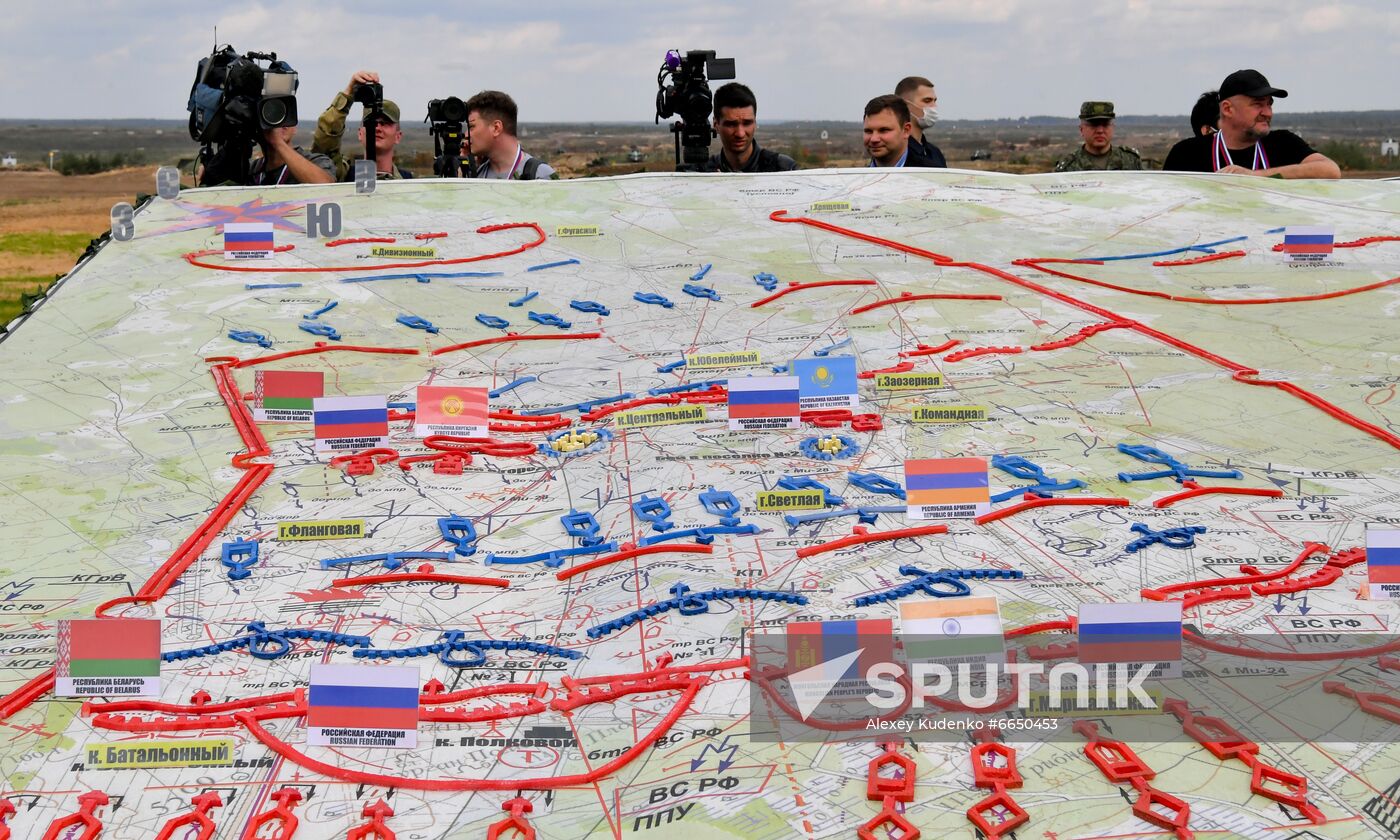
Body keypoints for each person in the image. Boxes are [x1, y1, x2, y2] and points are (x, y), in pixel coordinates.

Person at [1163, 70, 1339, 178]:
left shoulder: (1283, 143)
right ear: (1227, 109)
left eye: (1270, 104)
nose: (1267, 112)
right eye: (1258, 104)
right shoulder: (1187, 153)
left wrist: (1254, 176)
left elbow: (1330, 170)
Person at [312, 70, 412, 181]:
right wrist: (348, 95)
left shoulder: (409, 183)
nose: (377, 128)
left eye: (385, 123)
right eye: (370, 123)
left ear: (398, 136)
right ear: (360, 133)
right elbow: (324, 146)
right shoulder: (346, 176)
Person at [705, 83, 797, 172]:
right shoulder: (703, 172)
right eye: (731, 124)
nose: (740, 133)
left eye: (747, 123)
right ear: (716, 124)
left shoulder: (783, 168)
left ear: (755, 122)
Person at [464, 91, 556, 180]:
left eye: (471, 127)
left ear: (496, 128)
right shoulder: (478, 174)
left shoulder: (540, 175)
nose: (466, 135)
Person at [1054, 101, 1142, 172]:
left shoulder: (1130, 161)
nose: (1100, 131)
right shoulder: (1068, 167)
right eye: (1094, 125)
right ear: (1081, 129)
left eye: (1105, 125)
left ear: (1113, 128)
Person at [863, 95, 941, 168]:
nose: (874, 139)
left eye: (883, 130)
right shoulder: (857, 180)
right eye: (868, 131)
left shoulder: (931, 176)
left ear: (906, 130)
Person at [248, 125, 335, 186]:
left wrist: (277, 142)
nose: (282, 124)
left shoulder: (316, 161)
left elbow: (326, 188)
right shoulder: (252, 169)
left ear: (294, 128)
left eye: (286, 117)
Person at [894, 76, 947, 167]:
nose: (934, 106)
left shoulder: (934, 152)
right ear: (905, 105)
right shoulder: (897, 153)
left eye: (934, 101)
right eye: (927, 101)